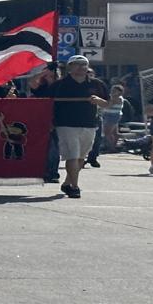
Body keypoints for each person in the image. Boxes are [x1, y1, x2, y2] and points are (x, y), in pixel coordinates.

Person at [38, 56, 107, 198]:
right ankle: (75, 187)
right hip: (66, 124)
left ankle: (67, 183)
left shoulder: (97, 84)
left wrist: (100, 101)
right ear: (70, 67)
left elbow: (108, 103)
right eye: (77, 64)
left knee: (81, 157)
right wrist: (49, 122)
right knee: (72, 156)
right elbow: (47, 104)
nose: (81, 67)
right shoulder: (60, 84)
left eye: (84, 64)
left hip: (89, 124)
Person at [99, 84, 127, 155]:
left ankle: (111, 147)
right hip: (108, 115)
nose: (113, 91)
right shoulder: (111, 97)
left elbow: (108, 105)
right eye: (112, 90)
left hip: (113, 116)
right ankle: (114, 145)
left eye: (115, 90)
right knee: (114, 133)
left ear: (120, 92)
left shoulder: (118, 98)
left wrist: (102, 103)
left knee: (107, 133)